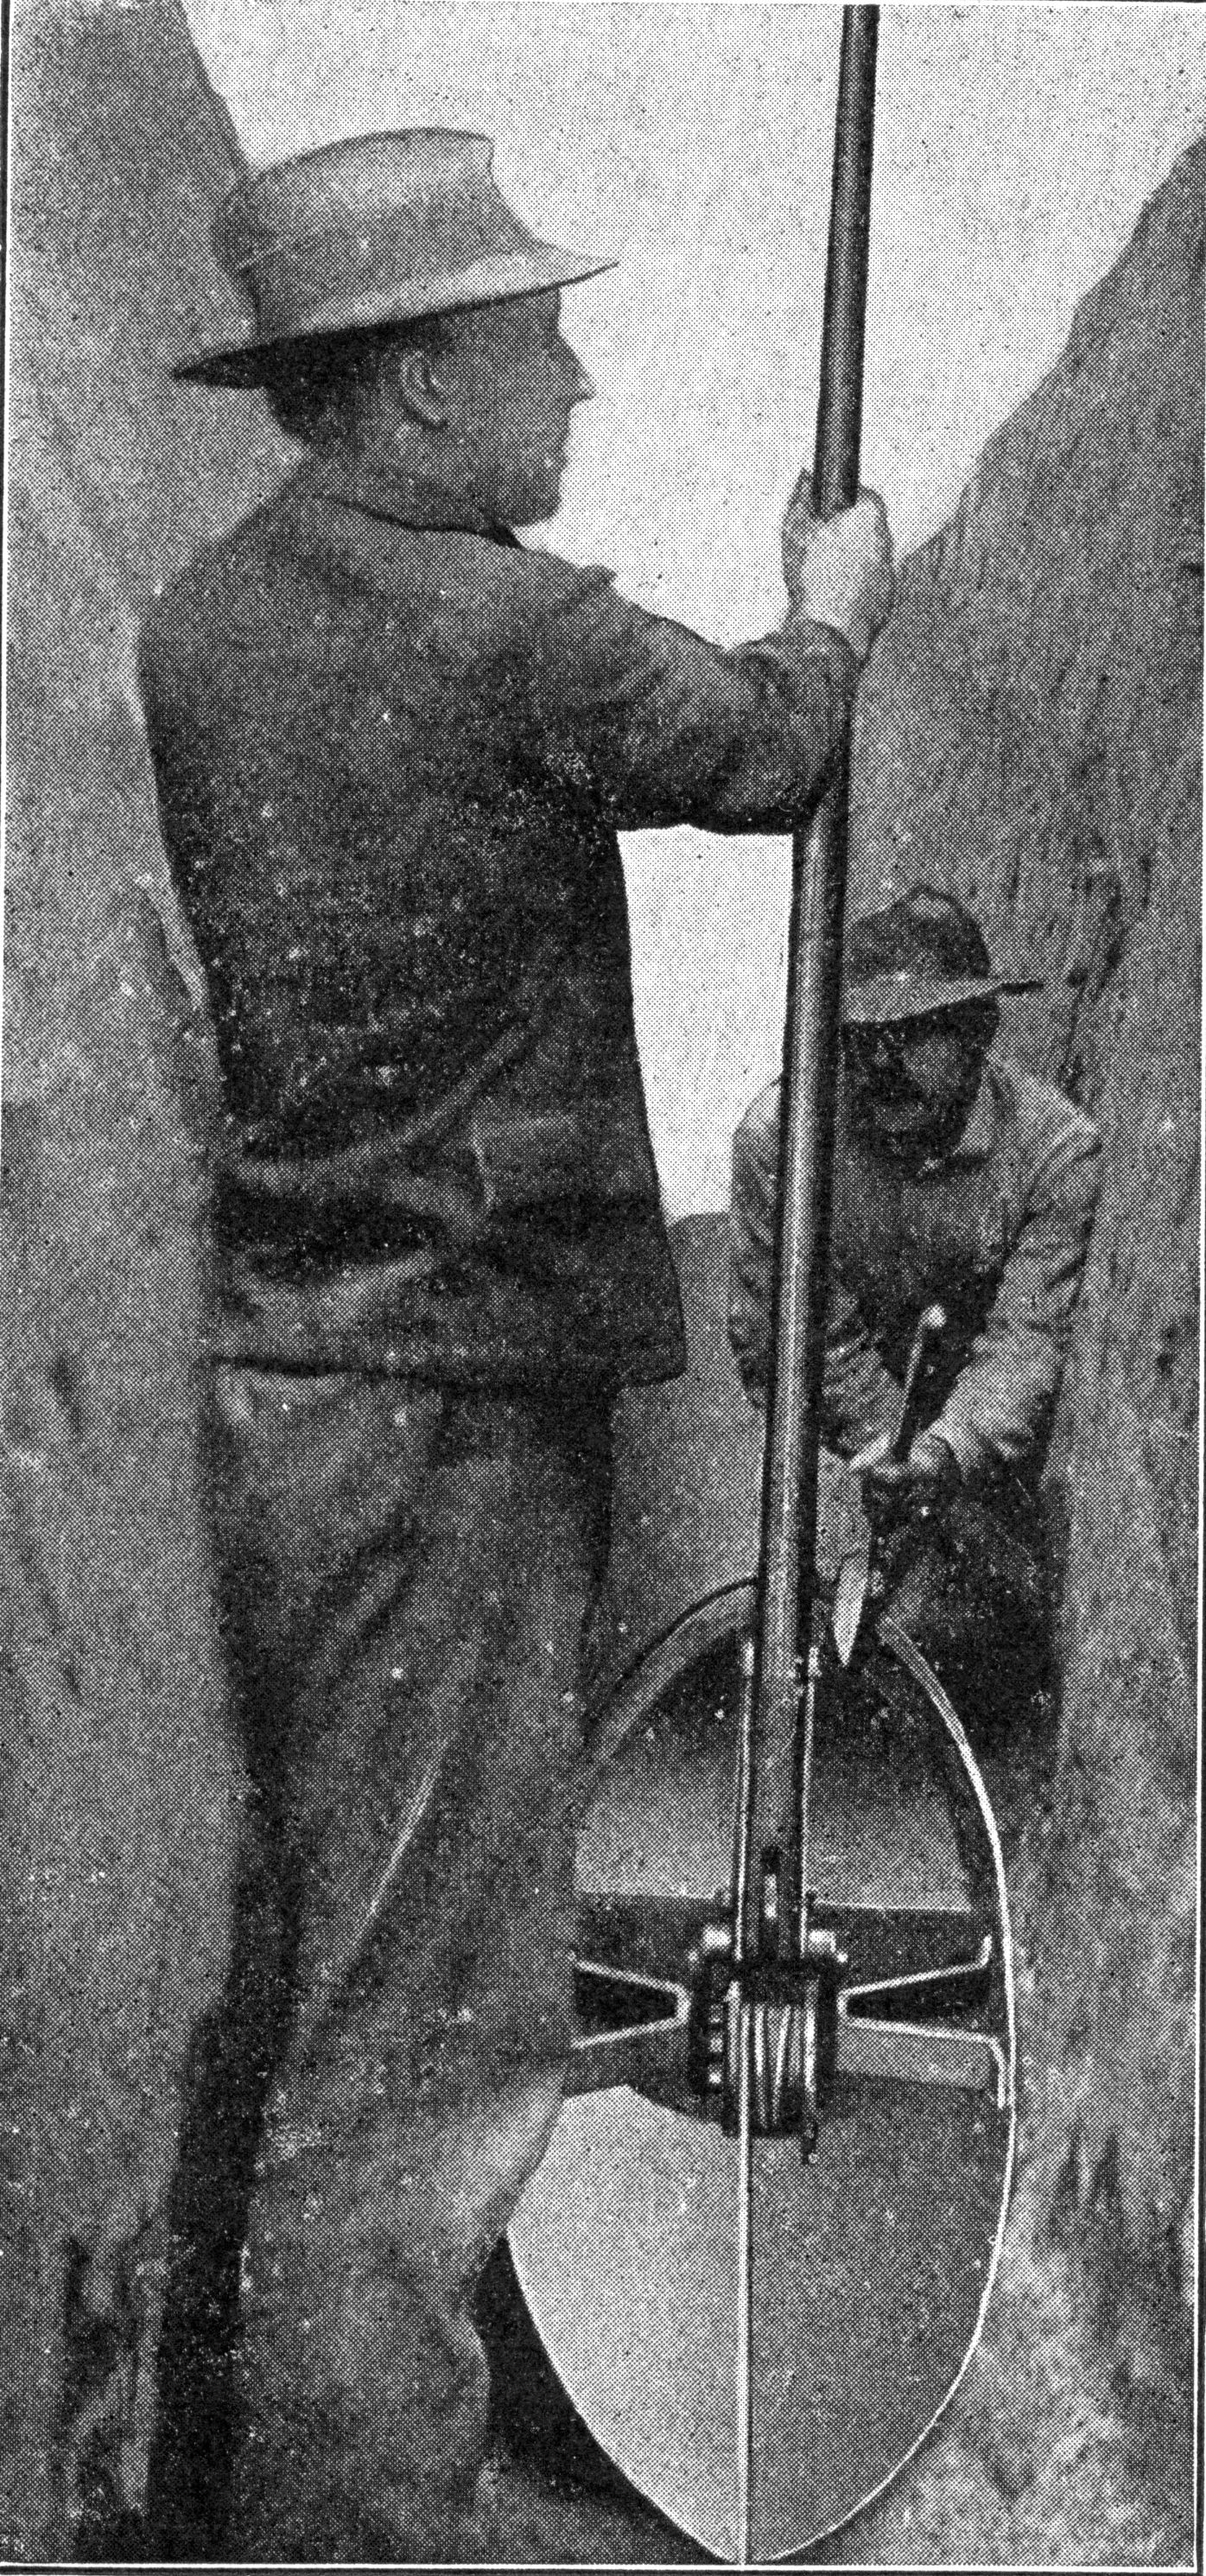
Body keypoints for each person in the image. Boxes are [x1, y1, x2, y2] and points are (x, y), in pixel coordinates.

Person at [138, 130, 894, 2561]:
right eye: (534, 342)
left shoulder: (205, 623)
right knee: (436, 2026)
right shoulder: (508, 629)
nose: (572, 381)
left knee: (331, 1956)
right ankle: (356, 2528)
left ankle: (252, 2479)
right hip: (453, 1402)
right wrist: (832, 611)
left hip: (298, 1377)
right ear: (413, 386)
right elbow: (764, 751)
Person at [729, 883, 1102, 1735]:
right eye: (863, 1038)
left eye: (918, 1033)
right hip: (845, 1442)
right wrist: (883, 1449)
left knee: (989, 1645)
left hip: (982, 1459)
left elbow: (1027, 1339)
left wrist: (943, 1452)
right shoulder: (784, 1138)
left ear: (980, 1031)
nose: (883, 1064)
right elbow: (787, 1335)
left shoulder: (1053, 1152)